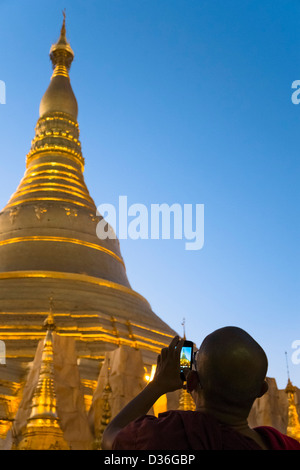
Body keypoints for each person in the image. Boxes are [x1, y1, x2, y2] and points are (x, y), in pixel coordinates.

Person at [102, 327, 300, 450]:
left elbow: (111, 436)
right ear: (262, 390)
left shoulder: (169, 436)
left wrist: (157, 385)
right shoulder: (284, 445)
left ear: (192, 381)